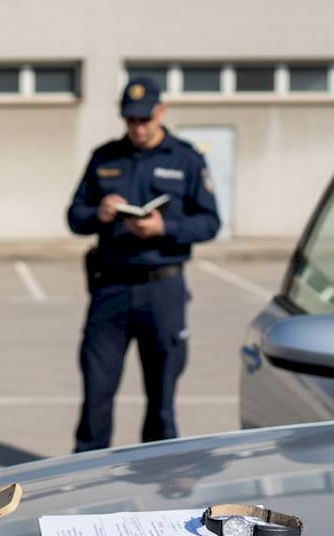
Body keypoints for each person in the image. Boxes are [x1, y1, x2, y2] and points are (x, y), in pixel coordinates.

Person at [66, 75, 221, 452]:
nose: (137, 127)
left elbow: (210, 222)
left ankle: (158, 472)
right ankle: (89, 470)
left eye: (144, 119)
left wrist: (164, 227)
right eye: (130, 119)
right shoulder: (105, 157)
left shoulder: (186, 159)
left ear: (161, 112)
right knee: (97, 392)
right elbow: (74, 216)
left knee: (162, 397)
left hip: (162, 288)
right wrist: (100, 213)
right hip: (111, 288)